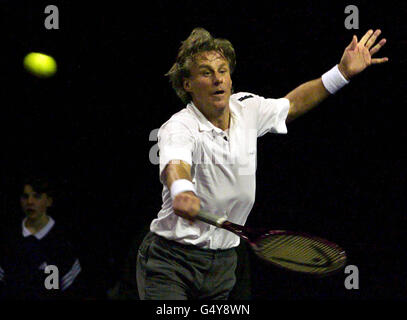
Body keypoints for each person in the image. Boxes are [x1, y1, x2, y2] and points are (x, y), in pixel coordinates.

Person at [136, 27, 388, 300]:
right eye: (206, 73)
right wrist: (182, 190)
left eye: (223, 70)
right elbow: (176, 163)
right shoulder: (179, 127)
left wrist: (342, 72)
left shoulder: (248, 108)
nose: (217, 79)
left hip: (223, 263)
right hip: (171, 262)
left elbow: (292, 104)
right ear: (187, 84)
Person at [0, 174, 82, 299]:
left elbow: (72, 290)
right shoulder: (9, 239)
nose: (30, 202)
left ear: (49, 201)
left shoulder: (63, 242)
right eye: (25, 197)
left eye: (36, 196)